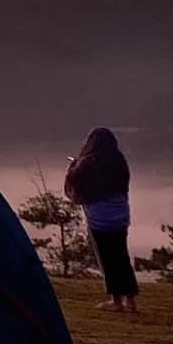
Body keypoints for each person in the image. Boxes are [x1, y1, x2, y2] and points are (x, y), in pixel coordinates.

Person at [64, 127, 137, 312]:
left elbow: (75, 182)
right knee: (122, 257)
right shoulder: (119, 160)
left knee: (107, 259)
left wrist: (73, 165)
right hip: (121, 215)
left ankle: (116, 301)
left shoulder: (88, 162)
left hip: (100, 218)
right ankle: (131, 301)